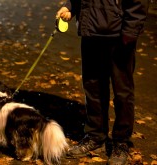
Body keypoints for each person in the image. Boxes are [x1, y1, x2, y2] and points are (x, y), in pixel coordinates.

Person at [56, 0, 148, 164]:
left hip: (120, 34)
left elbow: (138, 2)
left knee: (123, 93)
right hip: (90, 31)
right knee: (93, 87)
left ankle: (120, 142)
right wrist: (71, 6)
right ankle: (95, 136)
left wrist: (131, 30)